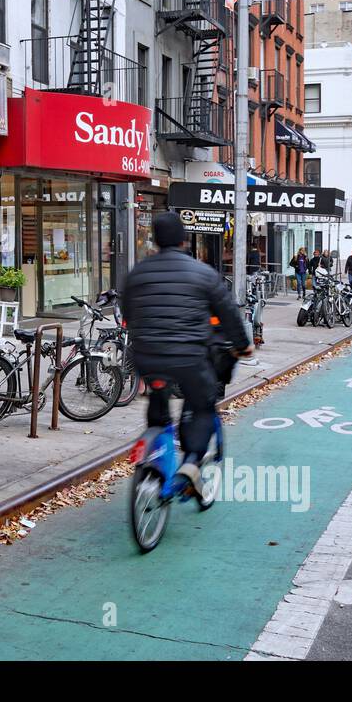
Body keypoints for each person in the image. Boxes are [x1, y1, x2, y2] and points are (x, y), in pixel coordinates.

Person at [122, 213, 252, 501]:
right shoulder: (203, 273)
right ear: (184, 240)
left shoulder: (137, 273)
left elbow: (128, 313)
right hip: (190, 358)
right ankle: (191, 463)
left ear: (155, 240)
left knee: (158, 403)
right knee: (202, 404)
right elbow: (229, 314)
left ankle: (155, 447)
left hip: (146, 356)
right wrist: (243, 345)